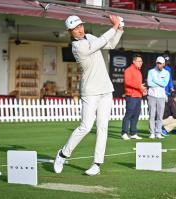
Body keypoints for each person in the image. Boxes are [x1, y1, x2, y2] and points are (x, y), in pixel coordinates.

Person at [53, 15, 124, 176]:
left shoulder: (90, 36)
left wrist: (119, 29)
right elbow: (98, 43)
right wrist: (114, 26)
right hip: (90, 91)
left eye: (80, 26)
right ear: (70, 32)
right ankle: (63, 154)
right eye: (75, 28)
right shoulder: (77, 47)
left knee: (102, 127)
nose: (79, 29)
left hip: (106, 89)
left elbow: (110, 44)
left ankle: (97, 164)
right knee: (85, 127)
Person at [121, 54, 147, 140]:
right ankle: (124, 133)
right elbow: (128, 82)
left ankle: (133, 133)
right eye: (139, 61)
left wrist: (143, 90)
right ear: (134, 61)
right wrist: (140, 87)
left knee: (136, 115)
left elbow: (138, 85)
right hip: (131, 96)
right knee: (128, 115)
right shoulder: (128, 70)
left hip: (138, 96)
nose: (141, 63)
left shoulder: (139, 72)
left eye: (141, 61)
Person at [147, 56, 170, 139]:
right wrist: (160, 82)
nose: (159, 65)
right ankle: (152, 133)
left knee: (160, 116)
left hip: (161, 96)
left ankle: (158, 132)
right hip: (151, 96)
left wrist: (155, 80)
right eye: (158, 63)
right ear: (156, 63)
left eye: (161, 63)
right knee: (152, 115)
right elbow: (149, 83)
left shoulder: (166, 73)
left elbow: (165, 84)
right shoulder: (151, 72)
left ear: (164, 64)